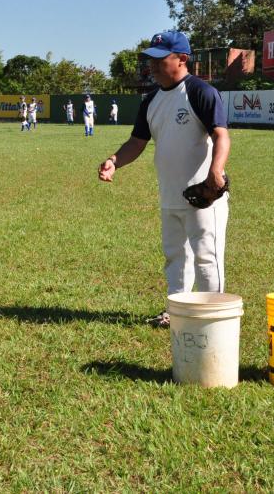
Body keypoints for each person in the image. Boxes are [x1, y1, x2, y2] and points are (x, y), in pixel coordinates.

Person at [97, 30, 231, 328]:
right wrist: (114, 161)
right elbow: (136, 142)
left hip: (202, 195)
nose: (152, 66)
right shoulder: (152, 101)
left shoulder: (200, 92)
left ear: (182, 59)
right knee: (175, 257)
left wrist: (216, 170)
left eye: (160, 60)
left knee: (207, 257)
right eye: (150, 60)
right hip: (170, 195)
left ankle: (212, 316)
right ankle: (177, 310)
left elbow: (221, 135)